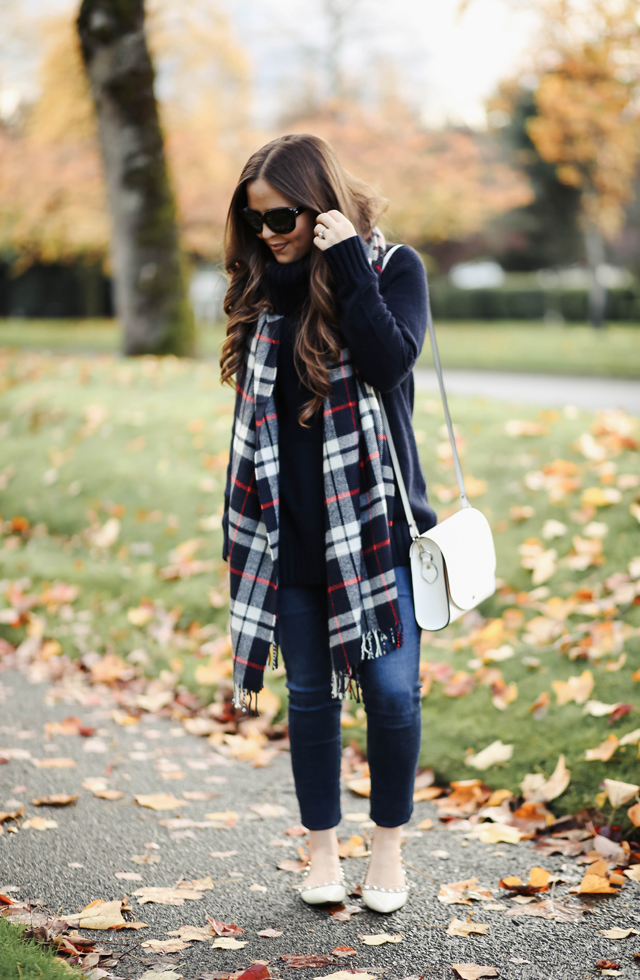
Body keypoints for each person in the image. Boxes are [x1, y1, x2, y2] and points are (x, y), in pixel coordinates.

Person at [220, 133, 436, 914]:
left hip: (379, 534)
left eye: (282, 219)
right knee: (311, 697)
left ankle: (387, 847)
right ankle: (320, 851)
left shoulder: (390, 269)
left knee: (392, 693)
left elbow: (389, 363)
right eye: (255, 223)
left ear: (320, 207)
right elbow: (251, 437)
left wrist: (345, 267)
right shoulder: (263, 292)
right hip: (289, 538)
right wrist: (236, 535)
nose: (269, 235)